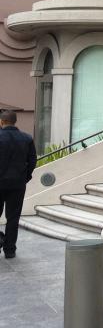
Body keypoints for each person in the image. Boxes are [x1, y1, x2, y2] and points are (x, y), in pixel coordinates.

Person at [0, 110, 37, 259]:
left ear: (2, 122)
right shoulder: (26, 138)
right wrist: (25, 177)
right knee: (13, 217)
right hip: (17, 184)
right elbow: (32, 161)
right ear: (15, 122)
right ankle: (10, 250)